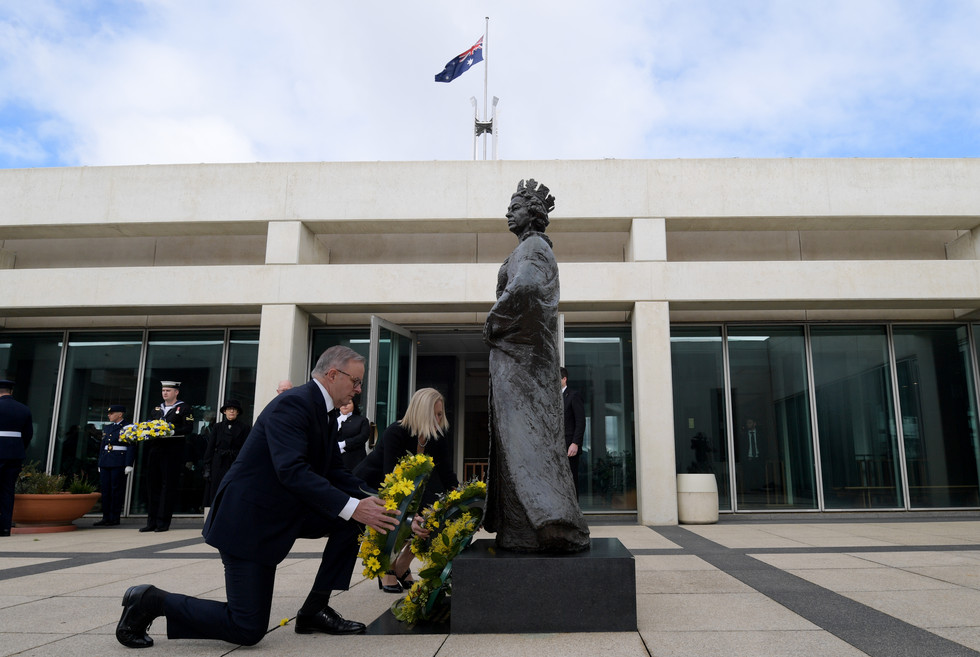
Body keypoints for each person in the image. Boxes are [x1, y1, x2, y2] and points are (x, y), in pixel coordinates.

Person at [115, 346, 401, 649]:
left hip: (281, 513)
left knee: (350, 520)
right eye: (356, 381)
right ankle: (149, 600)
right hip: (247, 521)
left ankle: (315, 609)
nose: (358, 389)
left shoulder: (323, 411)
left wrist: (384, 505)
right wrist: (353, 507)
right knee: (247, 628)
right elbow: (291, 470)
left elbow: (334, 472)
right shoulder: (293, 404)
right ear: (333, 374)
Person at [483, 179, 589, 553]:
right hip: (519, 361)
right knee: (517, 440)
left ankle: (549, 522)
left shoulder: (533, 248)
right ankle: (522, 529)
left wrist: (494, 320)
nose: (508, 213)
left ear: (533, 213)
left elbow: (526, 289)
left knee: (524, 440)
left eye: (515, 206)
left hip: (522, 363)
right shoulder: (528, 248)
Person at [354, 387, 459, 592]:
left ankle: (402, 565)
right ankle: (388, 567)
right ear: (421, 412)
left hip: (409, 489)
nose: (439, 419)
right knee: (399, 515)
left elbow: (447, 473)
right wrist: (413, 514)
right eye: (435, 414)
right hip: (375, 485)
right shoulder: (396, 432)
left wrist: (460, 501)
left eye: (440, 414)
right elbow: (390, 479)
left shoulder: (436, 437)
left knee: (434, 516)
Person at [141, 381, 195, 533]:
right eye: (163, 390)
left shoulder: (184, 408)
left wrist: (172, 431)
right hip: (156, 449)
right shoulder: (157, 409)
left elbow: (188, 428)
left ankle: (163, 522)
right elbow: (149, 425)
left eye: (168, 390)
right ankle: (151, 522)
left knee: (168, 486)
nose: (165, 393)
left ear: (176, 392)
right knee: (153, 485)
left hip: (172, 450)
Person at [201, 399, 251, 508]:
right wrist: (207, 467)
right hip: (219, 463)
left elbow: (246, 449)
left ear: (238, 412)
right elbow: (210, 447)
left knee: (233, 490)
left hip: (235, 462)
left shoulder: (244, 428)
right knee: (216, 490)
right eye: (229, 409)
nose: (231, 411)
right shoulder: (217, 427)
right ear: (224, 411)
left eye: (234, 409)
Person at [0, 379, 33, 537]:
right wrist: (18, 448)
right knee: (7, 490)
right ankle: (5, 527)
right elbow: (28, 435)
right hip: (14, 454)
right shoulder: (23, 409)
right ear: (11, 391)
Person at [94, 405, 134, 527]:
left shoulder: (128, 427)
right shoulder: (108, 427)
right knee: (105, 490)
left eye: (112, 413)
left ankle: (114, 517)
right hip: (106, 461)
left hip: (119, 461)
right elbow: (103, 446)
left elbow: (131, 446)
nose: (109, 415)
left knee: (116, 490)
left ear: (120, 414)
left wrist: (128, 463)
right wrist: (100, 462)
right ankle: (105, 517)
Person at [560, 367, 586, 496]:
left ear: (564, 379)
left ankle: (574, 507)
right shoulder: (551, 398)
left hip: (570, 446)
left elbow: (580, 422)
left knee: (570, 480)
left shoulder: (573, 396)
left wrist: (575, 443)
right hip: (556, 447)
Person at [335, 399, 370, 471]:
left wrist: (345, 443)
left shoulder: (362, 420)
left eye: (348, 403)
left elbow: (363, 437)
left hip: (354, 459)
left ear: (354, 405)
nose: (345, 405)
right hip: (335, 458)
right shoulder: (332, 420)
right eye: (342, 403)